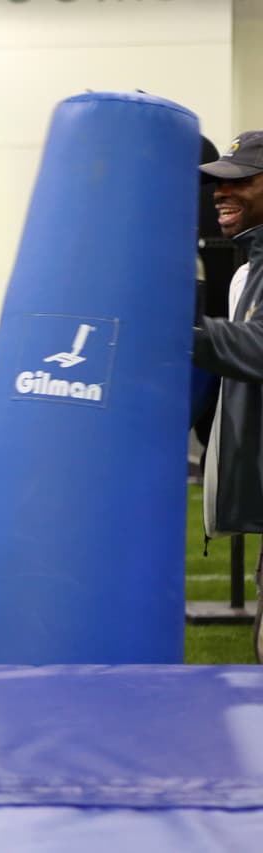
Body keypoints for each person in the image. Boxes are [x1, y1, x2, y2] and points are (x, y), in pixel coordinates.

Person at [192, 131, 263, 664]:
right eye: (216, 181)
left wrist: (174, 332)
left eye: (240, 180)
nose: (220, 191)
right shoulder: (247, 273)